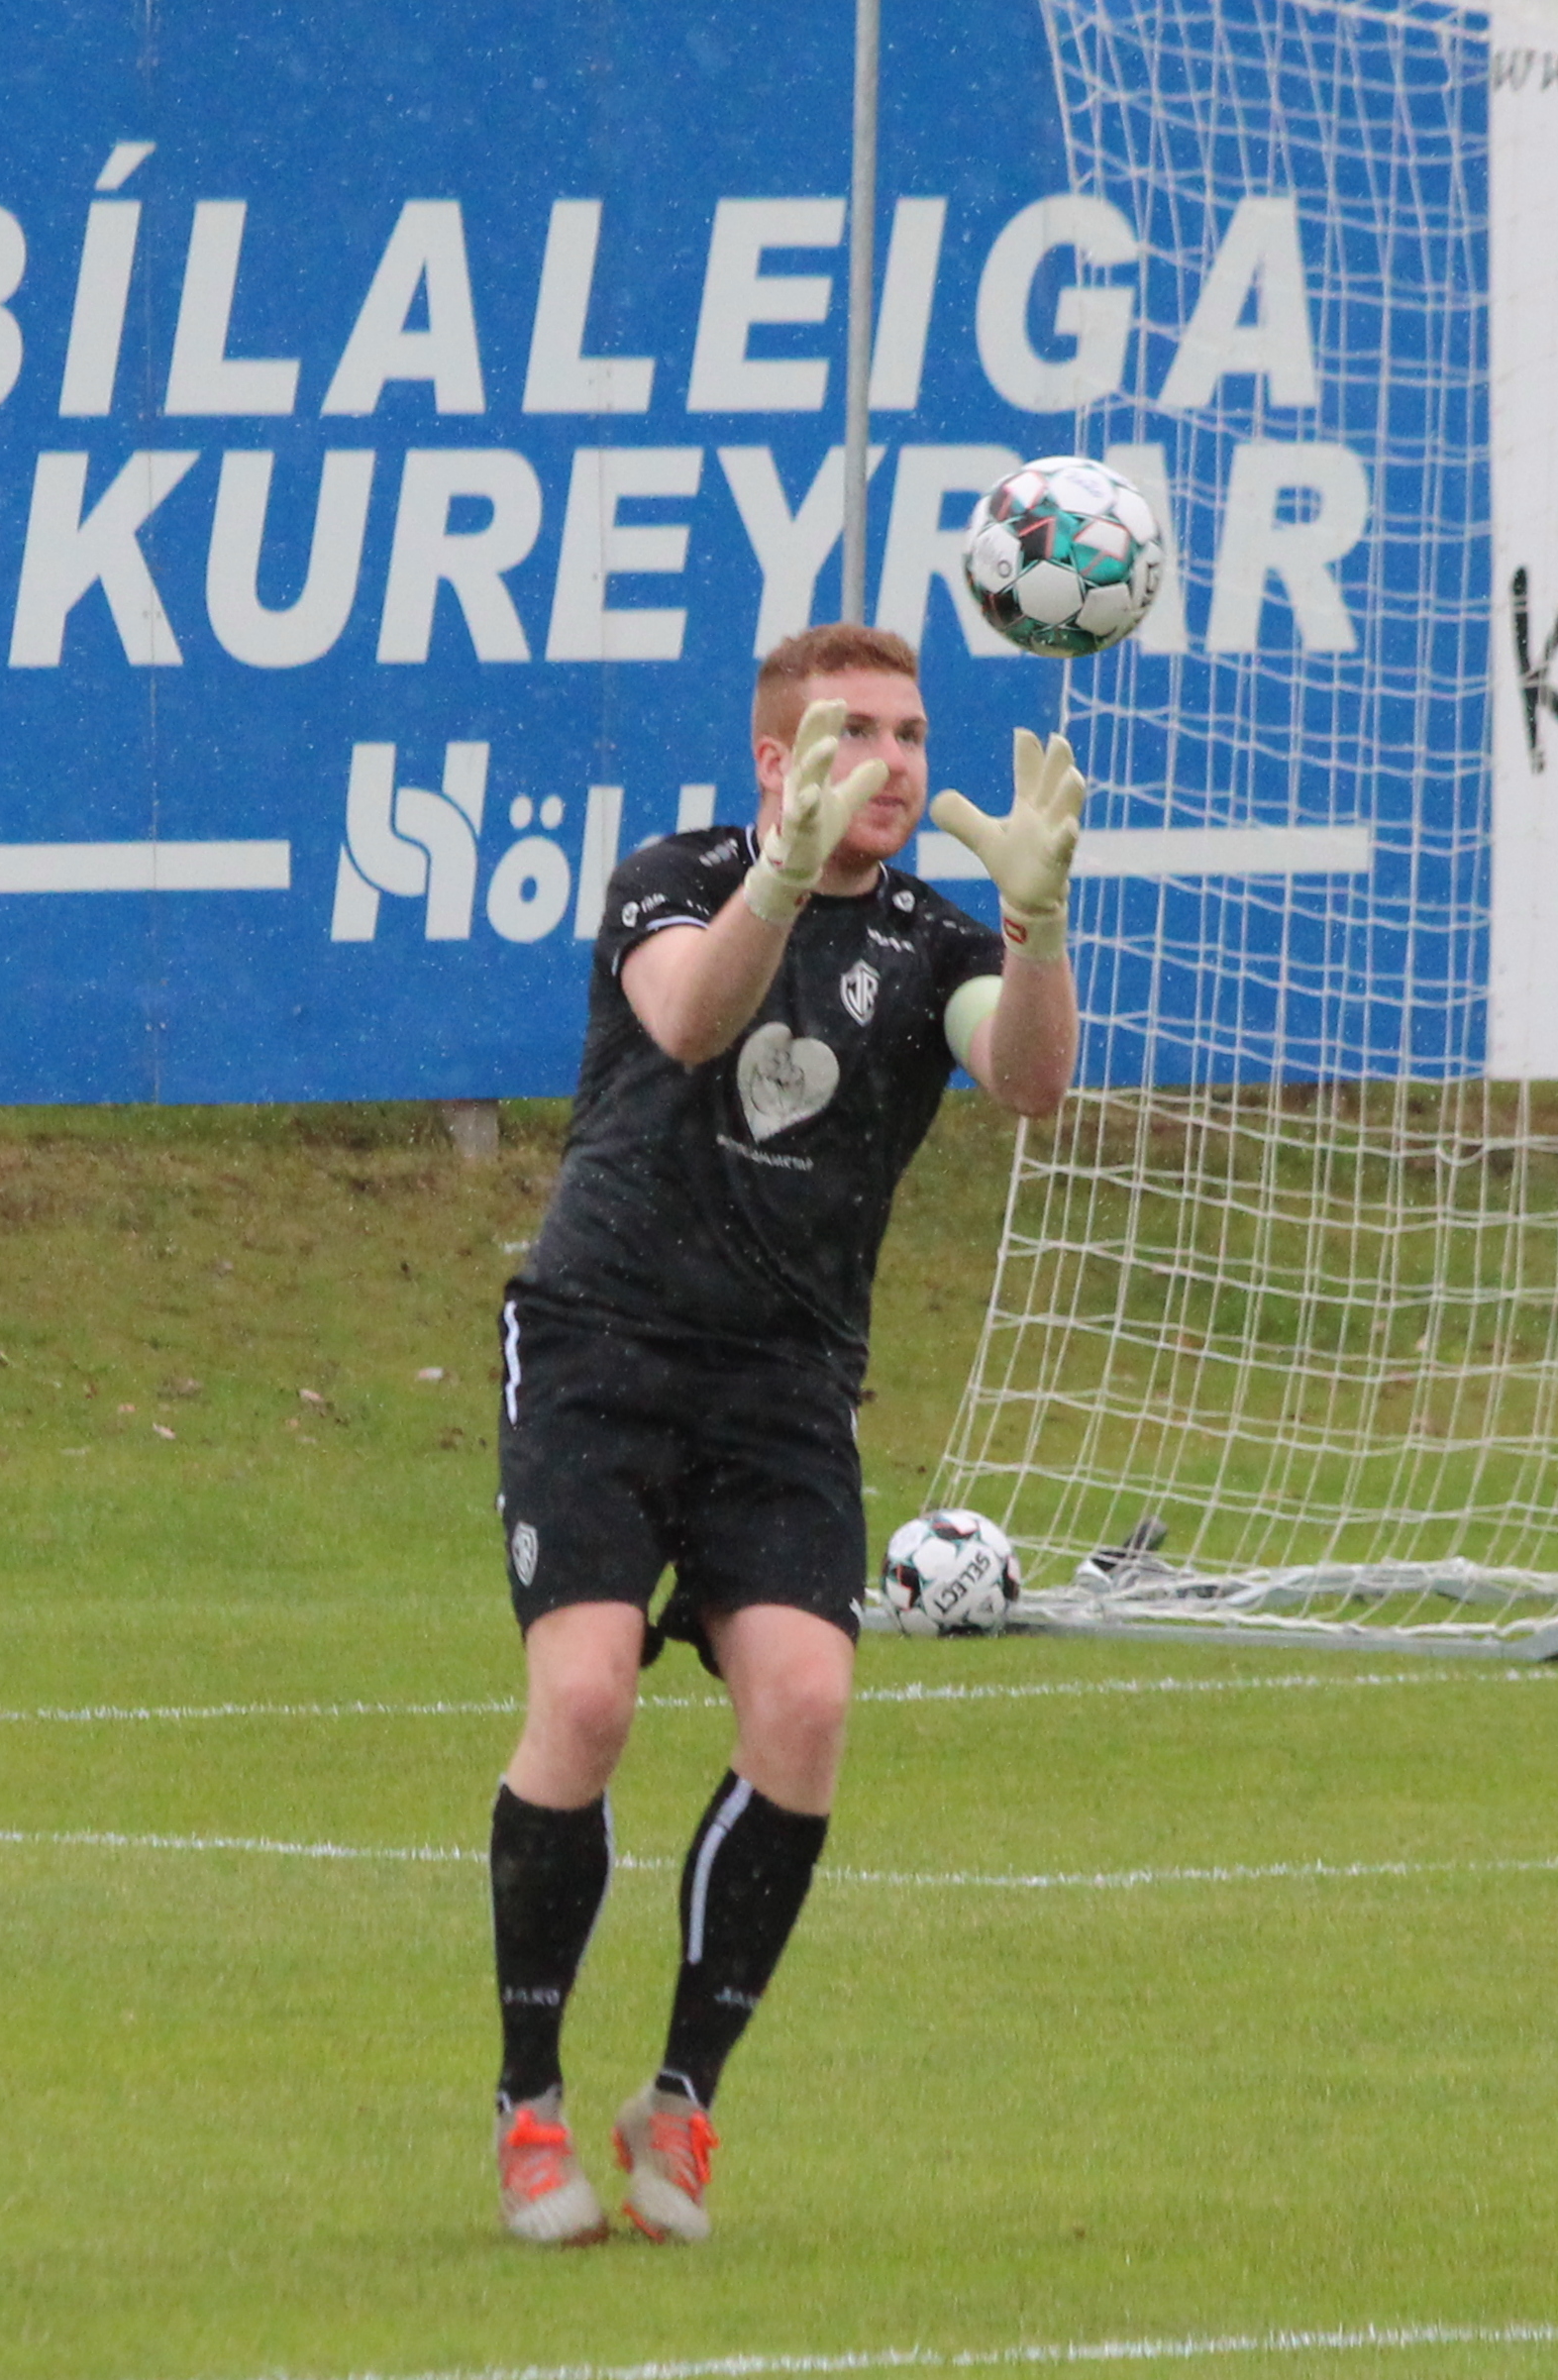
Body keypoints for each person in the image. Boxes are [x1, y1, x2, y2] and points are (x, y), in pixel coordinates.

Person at [482, 620, 1086, 2245]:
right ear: (774, 758)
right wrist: (779, 873)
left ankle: (680, 2101)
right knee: (585, 1699)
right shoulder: (670, 879)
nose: (890, 763)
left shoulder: (931, 938)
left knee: (807, 1705)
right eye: (853, 733)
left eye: (910, 734)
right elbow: (690, 1020)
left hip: (783, 1385)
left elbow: (1028, 1081)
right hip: (600, 1349)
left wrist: (1035, 927)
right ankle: (528, 2101)